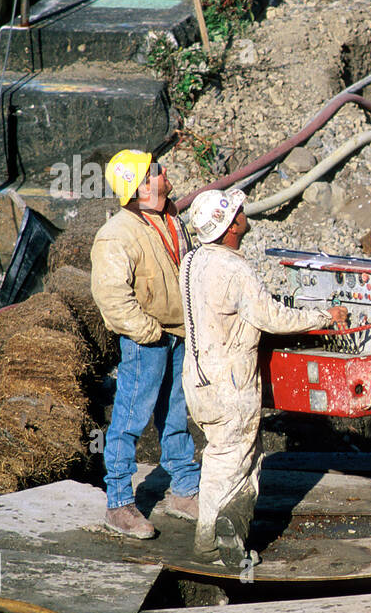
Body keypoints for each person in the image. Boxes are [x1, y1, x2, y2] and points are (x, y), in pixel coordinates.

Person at [181, 188, 344, 566]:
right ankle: (217, 541)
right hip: (230, 383)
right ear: (231, 226)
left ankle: (214, 533)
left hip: (198, 377)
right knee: (234, 461)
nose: (243, 212)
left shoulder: (192, 261)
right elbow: (273, 318)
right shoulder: (235, 268)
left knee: (223, 455)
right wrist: (324, 318)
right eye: (237, 210)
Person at [90, 150, 200, 539]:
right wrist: (148, 331)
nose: (164, 173)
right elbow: (111, 296)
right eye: (155, 172)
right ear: (138, 188)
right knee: (128, 422)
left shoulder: (171, 219)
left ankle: (184, 490)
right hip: (147, 340)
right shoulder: (117, 233)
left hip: (178, 334)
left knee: (175, 414)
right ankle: (118, 504)